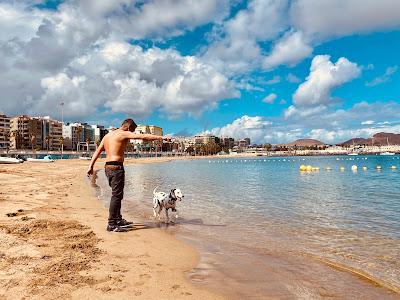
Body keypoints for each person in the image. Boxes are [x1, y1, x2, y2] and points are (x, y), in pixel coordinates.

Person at [87, 119, 162, 232]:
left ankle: (118, 219)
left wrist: (91, 166)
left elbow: (98, 151)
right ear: (127, 127)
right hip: (116, 168)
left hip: (108, 167)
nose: (131, 134)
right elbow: (144, 137)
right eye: (132, 131)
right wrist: (162, 138)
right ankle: (111, 224)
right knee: (116, 196)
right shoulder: (123, 133)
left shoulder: (107, 136)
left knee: (118, 195)